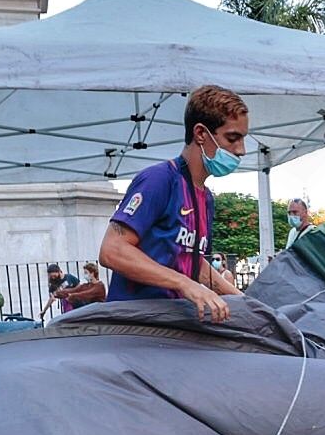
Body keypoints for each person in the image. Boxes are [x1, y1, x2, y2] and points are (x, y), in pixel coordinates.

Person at [99, 84, 245, 322]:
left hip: (173, 325)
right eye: (232, 138)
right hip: (133, 326)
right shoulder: (159, 180)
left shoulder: (205, 198)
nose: (241, 150)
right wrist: (184, 283)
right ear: (200, 134)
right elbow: (112, 251)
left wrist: (243, 301)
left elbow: (190, 260)